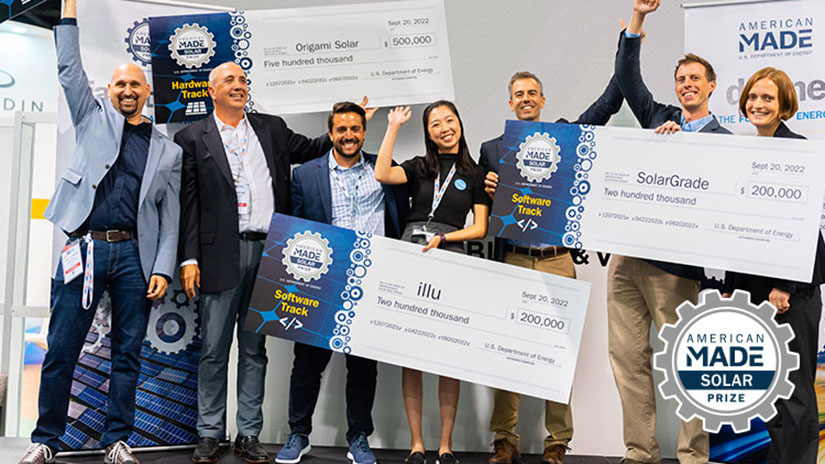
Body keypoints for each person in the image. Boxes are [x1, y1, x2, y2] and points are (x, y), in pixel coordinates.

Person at [18, 0, 181, 463]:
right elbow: (69, 66)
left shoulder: (168, 152)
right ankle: (45, 440)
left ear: (147, 92)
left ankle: (118, 440)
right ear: (108, 90)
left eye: (135, 84)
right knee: (63, 347)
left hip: (134, 257)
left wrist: (163, 269)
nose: (128, 90)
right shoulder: (90, 118)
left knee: (127, 352)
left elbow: (170, 220)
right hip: (84, 249)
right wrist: (68, 9)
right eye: (120, 84)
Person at [174, 62, 349, 463]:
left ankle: (248, 433)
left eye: (242, 80)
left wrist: (345, 126)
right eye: (230, 81)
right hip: (218, 254)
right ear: (211, 91)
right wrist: (188, 257)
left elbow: (312, 148)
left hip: (271, 252)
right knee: (214, 349)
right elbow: (189, 204)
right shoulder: (192, 138)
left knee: (255, 349)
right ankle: (209, 432)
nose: (238, 86)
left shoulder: (270, 128)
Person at [480, 68, 624, 464]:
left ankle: (557, 441)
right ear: (510, 103)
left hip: (557, 260)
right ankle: (504, 439)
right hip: (513, 259)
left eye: (533, 93)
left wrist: (629, 41)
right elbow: (481, 211)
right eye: (519, 94)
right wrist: (489, 190)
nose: (526, 98)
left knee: (557, 351)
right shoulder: (492, 149)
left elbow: (605, 107)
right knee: (509, 348)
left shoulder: (564, 139)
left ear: (543, 100)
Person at [609, 1, 732, 463]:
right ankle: (640, 452)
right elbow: (627, 78)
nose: (687, 85)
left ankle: (693, 456)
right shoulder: (658, 117)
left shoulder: (723, 142)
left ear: (711, 86)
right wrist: (637, 22)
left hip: (677, 268)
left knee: (686, 363)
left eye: (695, 79)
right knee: (627, 360)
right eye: (682, 79)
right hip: (626, 259)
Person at [275, 102, 408, 464]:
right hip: (321, 281)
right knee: (307, 363)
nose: (349, 135)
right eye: (342, 129)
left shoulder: (386, 170)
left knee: (363, 366)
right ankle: (298, 434)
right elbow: (294, 228)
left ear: (365, 132)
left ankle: (358, 437)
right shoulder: (304, 175)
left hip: (372, 277)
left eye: (356, 129)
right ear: (331, 133)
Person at [374, 101, 490, 464]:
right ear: (428, 132)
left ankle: (445, 446)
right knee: (412, 355)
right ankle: (417, 445)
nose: (444, 128)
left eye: (449, 120)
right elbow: (381, 173)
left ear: (460, 123)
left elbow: (480, 227)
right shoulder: (420, 167)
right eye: (435, 123)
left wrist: (446, 240)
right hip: (411, 254)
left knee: (446, 356)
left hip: (448, 255)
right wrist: (392, 127)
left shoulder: (476, 172)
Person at [722, 67, 825, 464]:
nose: (758, 104)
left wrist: (783, 285)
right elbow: (741, 224)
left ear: (784, 105)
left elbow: (797, 224)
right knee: (772, 390)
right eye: (752, 97)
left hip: (790, 293)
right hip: (756, 290)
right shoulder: (747, 151)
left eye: (767, 98)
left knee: (796, 393)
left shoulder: (797, 150)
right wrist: (732, 283)